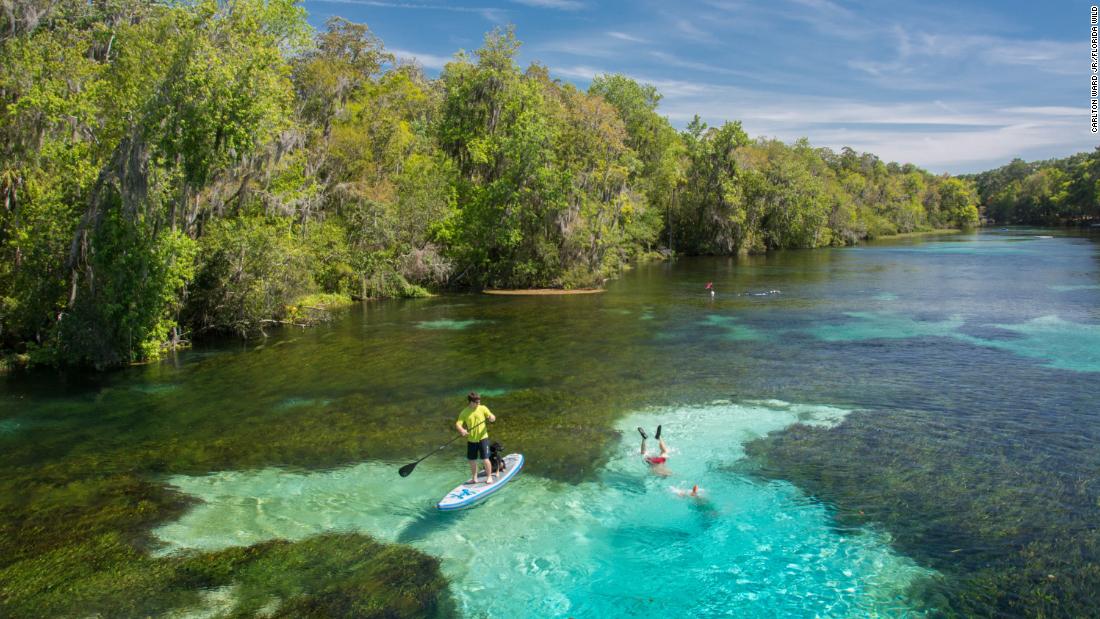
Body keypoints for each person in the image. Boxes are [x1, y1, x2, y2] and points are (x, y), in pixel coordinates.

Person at [456, 391, 496, 484]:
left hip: (483, 438)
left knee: (485, 459)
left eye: (479, 402)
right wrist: (462, 430)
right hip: (471, 440)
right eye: (477, 402)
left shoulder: (483, 408)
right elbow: (458, 424)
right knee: (472, 460)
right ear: (471, 402)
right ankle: (474, 478)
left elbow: (492, 416)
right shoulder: (464, 412)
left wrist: (491, 418)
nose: (479, 404)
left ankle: (489, 477)